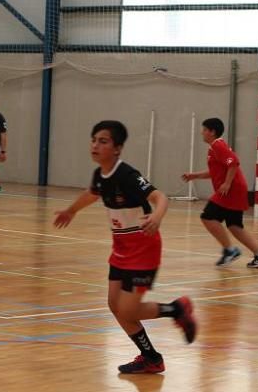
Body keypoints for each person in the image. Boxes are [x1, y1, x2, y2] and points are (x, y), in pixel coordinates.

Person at [53, 120, 196, 374]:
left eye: (103, 141)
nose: (96, 145)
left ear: (117, 148)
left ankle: (176, 309)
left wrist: (157, 216)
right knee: (114, 304)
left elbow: (159, 197)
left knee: (128, 309)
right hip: (120, 249)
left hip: (143, 248)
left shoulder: (127, 175)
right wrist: (71, 211)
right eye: (94, 140)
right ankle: (151, 357)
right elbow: (92, 193)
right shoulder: (101, 175)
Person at [182, 118, 258, 268]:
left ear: (212, 132)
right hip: (235, 188)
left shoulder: (218, 145)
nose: (202, 132)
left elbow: (234, 162)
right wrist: (195, 175)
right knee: (234, 225)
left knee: (208, 216)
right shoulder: (215, 147)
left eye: (204, 130)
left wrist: (227, 183)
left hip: (231, 190)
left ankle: (230, 250)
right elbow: (216, 171)